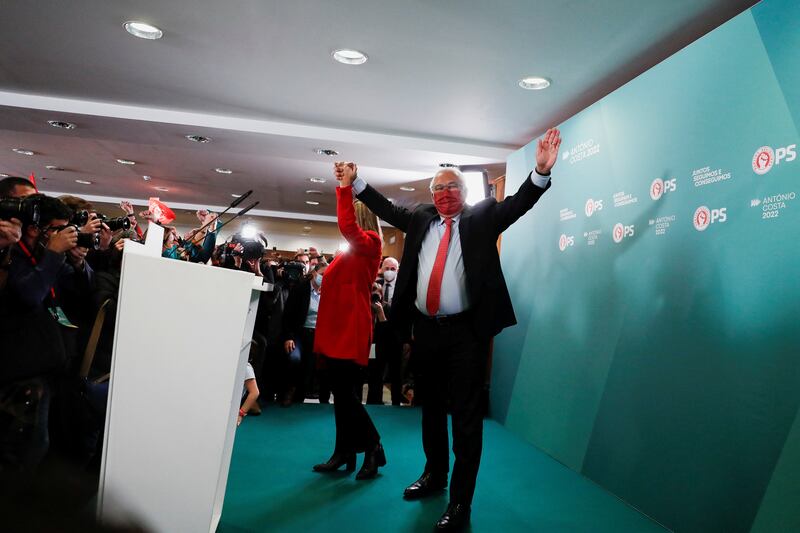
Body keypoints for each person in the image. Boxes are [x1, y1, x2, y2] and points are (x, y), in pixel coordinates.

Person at [338, 127, 562, 531]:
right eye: (438, 188)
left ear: (463, 192)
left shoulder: (483, 216)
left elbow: (520, 203)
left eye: (452, 187)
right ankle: (435, 474)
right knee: (431, 410)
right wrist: (356, 181)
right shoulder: (422, 219)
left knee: (465, 419)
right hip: (426, 331)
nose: (445, 194)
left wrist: (540, 173)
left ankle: (461, 504)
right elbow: (387, 209)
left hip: (466, 335)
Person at [311, 173, 385, 480]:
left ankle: (373, 447)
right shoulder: (354, 251)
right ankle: (344, 452)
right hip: (335, 330)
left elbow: (346, 226)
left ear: (359, 218)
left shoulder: (370, 243)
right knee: (342, 397)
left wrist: (344, 189)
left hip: (349, 330)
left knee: (346, 396)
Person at [280, 262, 328, 406]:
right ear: (314, 273)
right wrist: (288, 337)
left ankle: (301, 397)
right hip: (299, 334)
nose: (324, 278)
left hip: (318, 335)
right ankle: (289, 390)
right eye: (322, 274)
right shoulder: (301, 289)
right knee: (295, 359)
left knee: (311, 366)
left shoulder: (329, 292)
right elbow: (287, 315)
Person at [367, 257, 404, 405]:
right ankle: (374, 402)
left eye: (393, 269)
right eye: (386, 268)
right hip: (376, 339)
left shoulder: (403, 287)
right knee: (374, 373)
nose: (389, 272)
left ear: (398, 270)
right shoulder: (376, 284)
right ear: (381, 269)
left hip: (395, 337)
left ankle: (396, 403)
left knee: (396, 373)